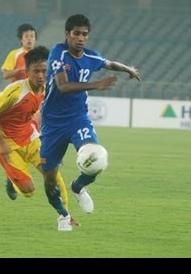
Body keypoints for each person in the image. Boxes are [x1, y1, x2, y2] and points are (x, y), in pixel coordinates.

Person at [40, 14, 141, 231]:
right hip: (52, 124)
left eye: (84, 34)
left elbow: (108, 63)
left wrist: (128, 69)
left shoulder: (91, 57)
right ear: (67, 34)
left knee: (96, 159)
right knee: (49, 180)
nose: (80, 38)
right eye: (76, 33)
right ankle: (63, 215)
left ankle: (77, 187)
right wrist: (97, 84)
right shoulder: (59, 54)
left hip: (78, 119)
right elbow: (63, 86)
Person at [0, 45, 78, 228]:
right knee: (29, 191)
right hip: (7, 143)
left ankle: (65, 215)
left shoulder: (48, 89)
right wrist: (3, 143)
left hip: (29, 136)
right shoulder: (15, 91)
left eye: (44, 71)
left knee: (53, 175)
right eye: (35, 71)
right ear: (27, 72)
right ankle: (12, 181)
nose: (40, 75)